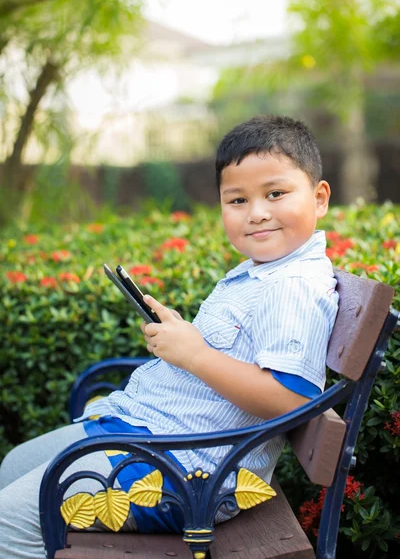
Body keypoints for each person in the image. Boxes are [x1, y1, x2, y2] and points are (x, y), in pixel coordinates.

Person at [0, 115, 339, 558]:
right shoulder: (264, 272)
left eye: (275, 194)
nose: (256, 212)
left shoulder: (291, 285)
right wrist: (184, 340)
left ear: (319, 198)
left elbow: (292, 401)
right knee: (14, 465)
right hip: (151, 436)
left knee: (9, 522)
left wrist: (194, 355)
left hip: (178, 475)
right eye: (237, 199)